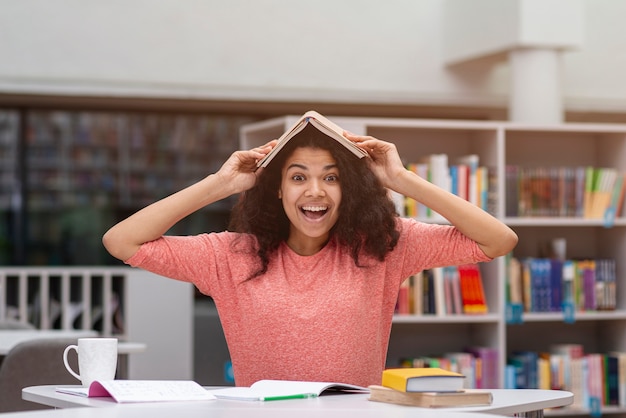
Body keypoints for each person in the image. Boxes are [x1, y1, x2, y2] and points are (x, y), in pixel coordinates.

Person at [102, 122, 518, 388]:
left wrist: (401, 179)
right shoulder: (231, 254)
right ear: (278, 189)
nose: (315, 191)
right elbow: (123, 242)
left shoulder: (382, 245)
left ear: (347, 190)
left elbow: (497, 241)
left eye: (331, 178)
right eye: (298, 177)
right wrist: (220, 184)